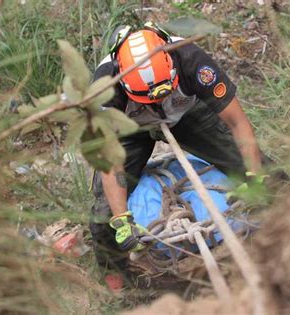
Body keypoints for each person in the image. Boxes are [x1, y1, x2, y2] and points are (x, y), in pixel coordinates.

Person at [89, 22, 269, 271]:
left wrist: (255, 177)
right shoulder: (104, 90)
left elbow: (238, 123)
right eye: (150, 98)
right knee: (103, 214)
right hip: (130, 128)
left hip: (184, 114)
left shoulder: (192, 60)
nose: (157, 101)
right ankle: (117, 275)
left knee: (265, 170)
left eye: (163, 93)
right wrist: (121, 220)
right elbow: (110, 161)